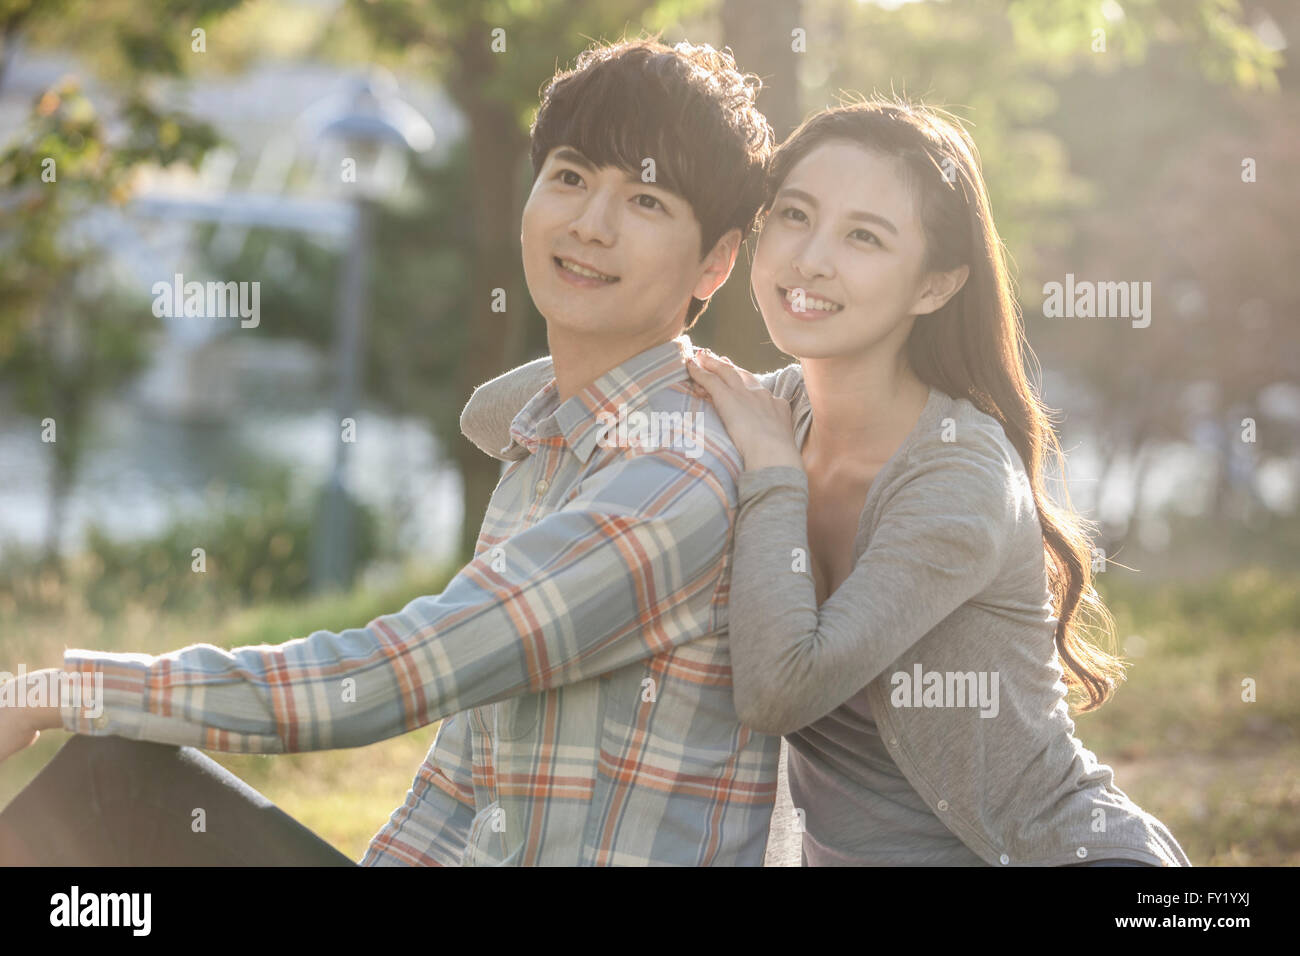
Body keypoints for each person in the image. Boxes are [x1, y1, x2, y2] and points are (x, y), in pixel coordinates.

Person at [0, 36, 782, 867]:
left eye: (646, 202)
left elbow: (385, 676)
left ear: (716, 263)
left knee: (110, 787)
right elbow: (457, 787)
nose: (591, 224)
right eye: (571, 178)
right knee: (116, 786)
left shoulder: (672, 475)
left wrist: (64, 689)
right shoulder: (552, 439)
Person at [458, 96, 1191, 867]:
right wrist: (652, 333)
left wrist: (774, 473)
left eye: (864, 237)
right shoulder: (765, 408)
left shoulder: (957, 475)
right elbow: (490, 417)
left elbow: (780, 691)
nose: (811, 259)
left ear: (935, 285)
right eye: (795, 216)